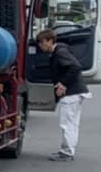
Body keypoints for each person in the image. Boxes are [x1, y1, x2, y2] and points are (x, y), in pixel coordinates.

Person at [35, 28, 88, 161]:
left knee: (67, 123)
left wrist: (63, 83)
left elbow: (75, 67)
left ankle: (67, 152)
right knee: (72, 123)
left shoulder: (60, 52)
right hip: (76, 91)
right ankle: (68, 150)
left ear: (49, 41)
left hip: (71, 93)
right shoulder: (60, 51)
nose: (40, 46)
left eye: (41, 42)